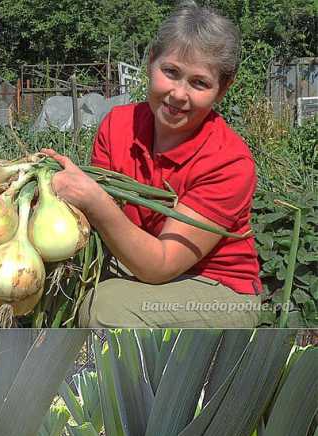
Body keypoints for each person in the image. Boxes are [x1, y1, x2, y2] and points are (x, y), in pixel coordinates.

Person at [41, 1, 263, 330]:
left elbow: (160, 264)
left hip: (216, 287)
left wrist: (93, 200)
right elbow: (94, 229)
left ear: (223, 89)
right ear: (150, 63)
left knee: (107, 309)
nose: (178, 94)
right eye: (170, 72)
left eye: (199, 83)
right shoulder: (117, 126)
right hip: (138, 266)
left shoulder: (228, 161)